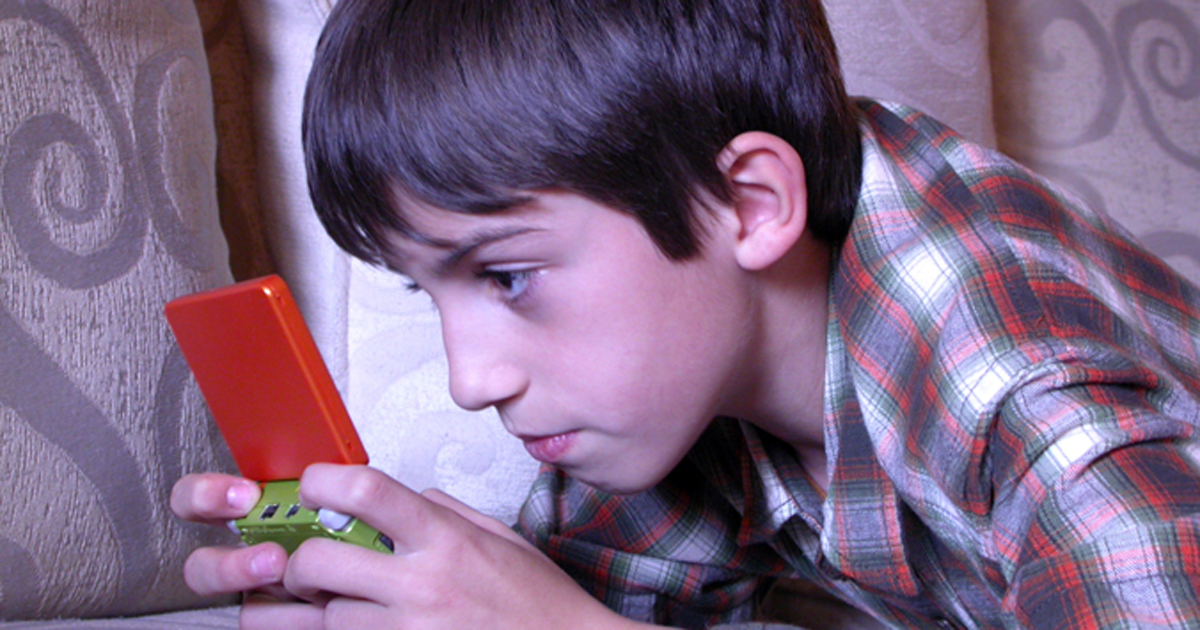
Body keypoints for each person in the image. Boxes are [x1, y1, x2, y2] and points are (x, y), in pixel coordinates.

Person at [169, 0, 1200, 627]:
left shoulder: (1014, 376)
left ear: (752, 204)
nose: (470, 378)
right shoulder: (664, 393)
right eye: (426, 289)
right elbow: (597, 594)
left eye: (508, 277)